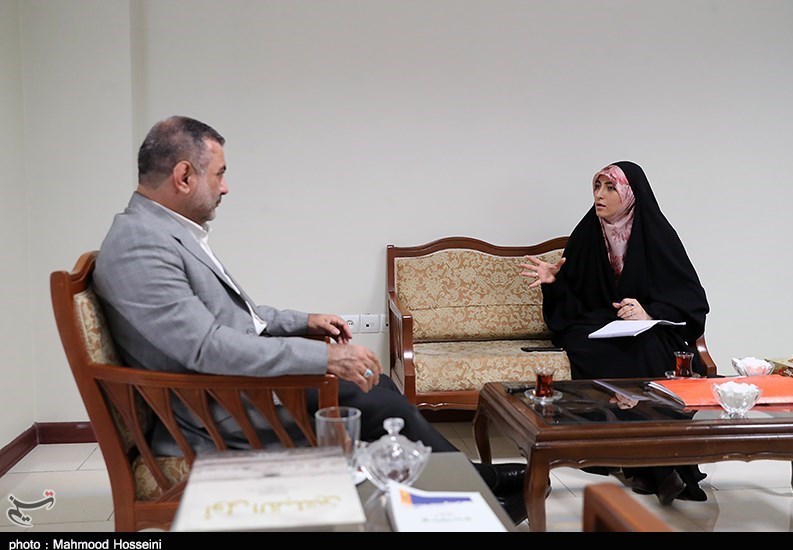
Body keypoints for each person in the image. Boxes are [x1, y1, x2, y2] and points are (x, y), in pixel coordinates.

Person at [92, 115, 528, 523]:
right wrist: (324, 358)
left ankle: (470, 483)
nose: (226, 187)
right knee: (379, 401)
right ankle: (478, 498)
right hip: (217, 410)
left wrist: (304, 321)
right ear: (184, 176)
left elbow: (239, 318)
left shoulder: (164, 231)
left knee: (378, 385)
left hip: (234, 388)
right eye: (219, 174)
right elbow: (205, 347)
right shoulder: (140, 245)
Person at [519, 160, 710, 505]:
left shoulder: (657, 234)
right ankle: (654, 468)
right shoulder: (587, 233)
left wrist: (648, 311)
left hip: (645, 328)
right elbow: (573, 304)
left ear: (631, 194)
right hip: (594, 326)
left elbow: (690, 298)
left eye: (610, 188)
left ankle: (648, 464)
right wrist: (553, 282)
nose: (600, 195)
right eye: (597, 186)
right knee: (603, 348)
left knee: (649, 347)